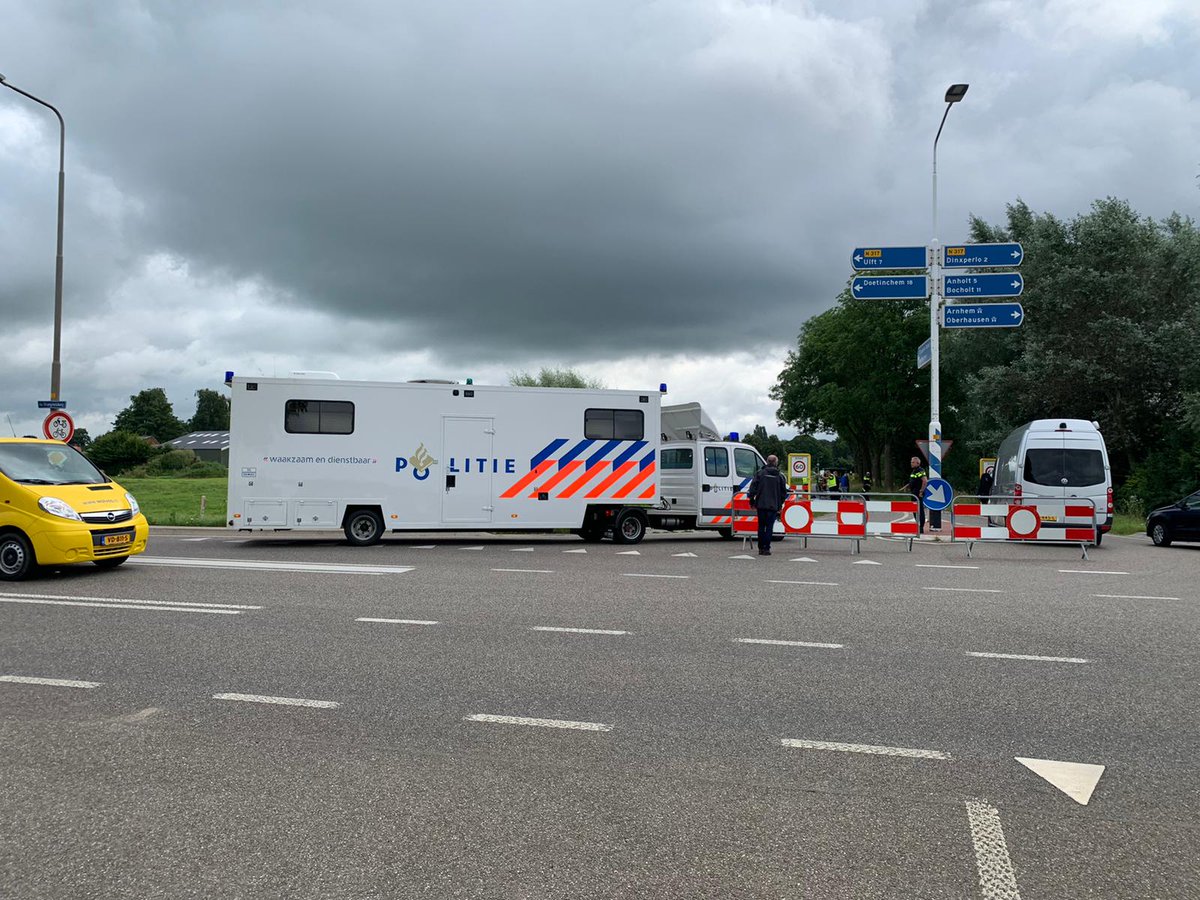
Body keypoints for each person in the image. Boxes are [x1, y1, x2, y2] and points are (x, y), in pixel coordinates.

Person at [748, 454, 788, 556]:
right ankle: (767, 548)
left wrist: (752, 500)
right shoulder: (779, 476)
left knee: (761, 526)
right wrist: (780, 504)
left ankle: (760, 548)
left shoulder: (760, 473)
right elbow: (783, 492)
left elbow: (753, 488)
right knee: (769, 527)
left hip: (761, 504)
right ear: (776, 463)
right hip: (773, 505)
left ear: (767, 462)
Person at [907, 455, 928, 535]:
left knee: (920, 510)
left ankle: (921, 527)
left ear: (917, 463)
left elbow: (925, 481)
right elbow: (914, 480)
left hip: (917, 493)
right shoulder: (914, 471)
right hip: (913, 493)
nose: (911, 463)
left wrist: (921, 491)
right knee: (914, 510)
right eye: (911, 462)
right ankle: (918, 526)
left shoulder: (920, 470)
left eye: (913, 462)